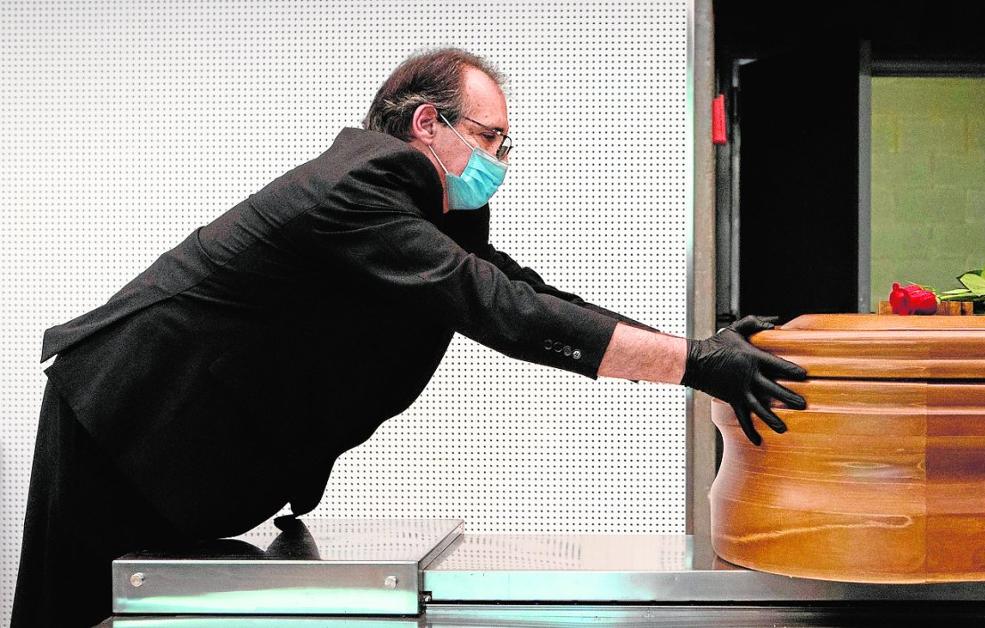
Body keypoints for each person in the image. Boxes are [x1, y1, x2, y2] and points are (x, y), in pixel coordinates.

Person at [11, 48, 807, 627]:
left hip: (168, 442)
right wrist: (695, 365)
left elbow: (528, 294)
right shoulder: (360, 186)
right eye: (491, 139)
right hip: (123, 415)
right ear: (428, 122)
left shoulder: (419, 209)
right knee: (74, 615)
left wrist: (696, 346)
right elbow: (499, 309)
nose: (500, 161)